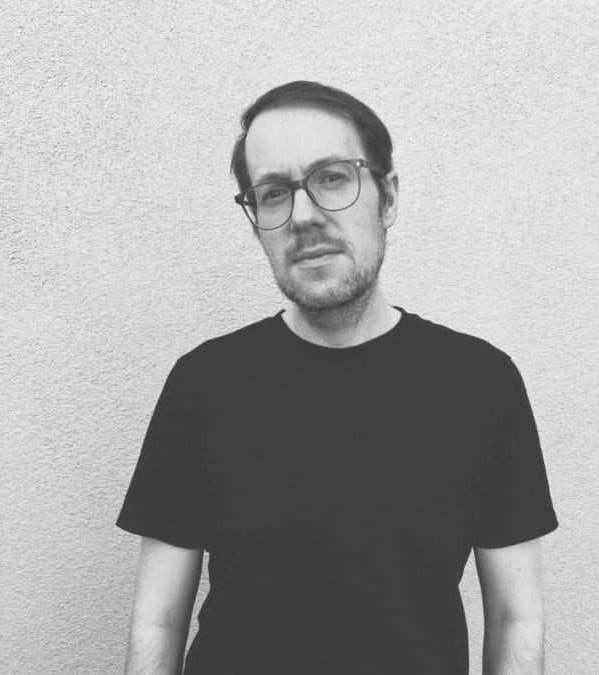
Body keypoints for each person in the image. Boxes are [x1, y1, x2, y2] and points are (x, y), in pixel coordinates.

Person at [116, 80, 559, 674]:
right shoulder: (202, 384)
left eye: (331, 178)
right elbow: (157, 621)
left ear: (388, 198)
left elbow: (515, 618)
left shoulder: (482, 384)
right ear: (256, 221)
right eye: (274, 193)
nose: (303, 216)